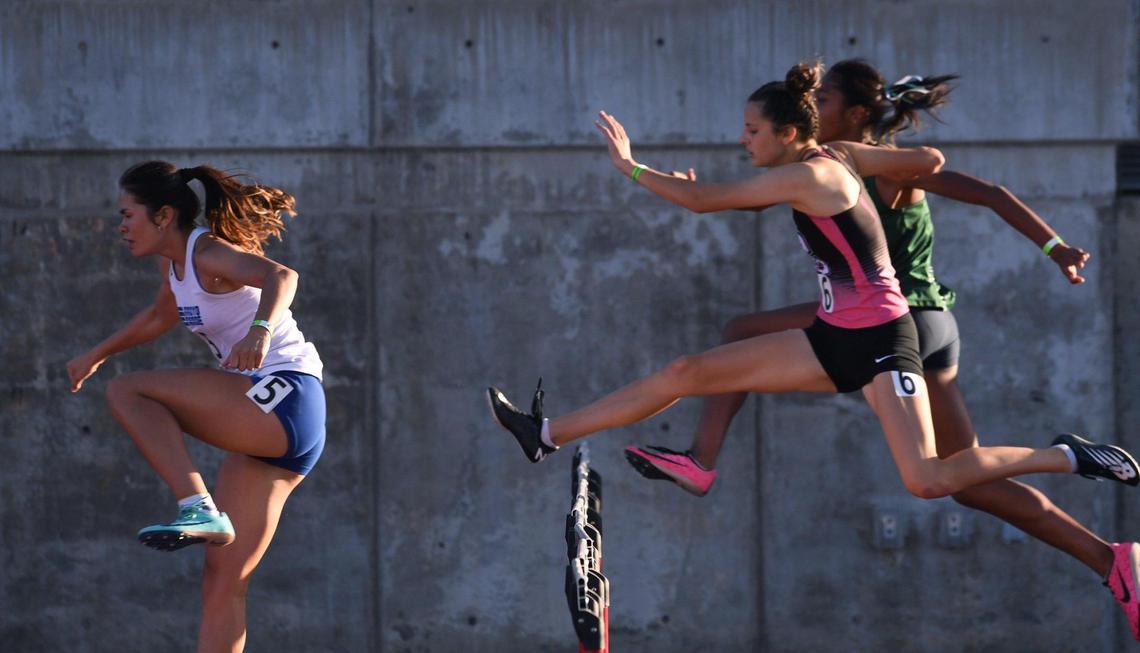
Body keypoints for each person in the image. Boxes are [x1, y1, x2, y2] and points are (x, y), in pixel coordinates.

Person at [487, 58, 1140, 626]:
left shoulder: (813, 176)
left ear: (790, 134)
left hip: (888, 337)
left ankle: (1064, 454)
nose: (742, 141)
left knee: (929, 477)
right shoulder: (837, 159)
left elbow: (707, 204)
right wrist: (886, 157)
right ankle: (546, 434)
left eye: (752, 131)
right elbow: (916, 161)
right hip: (832, 337)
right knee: (690, 368)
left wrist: (632, 168)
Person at [66, 161, 326, 652]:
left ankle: (196, 506)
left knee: (129, 392)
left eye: (127, 215)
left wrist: (259, 331)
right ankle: (202, 512)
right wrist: (96, 353)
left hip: (285, 393)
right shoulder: (175, 266)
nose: (120, 227)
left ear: (163, 215)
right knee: (223, 584)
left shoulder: (205, 251)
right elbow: (158, 316)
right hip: (273, 426)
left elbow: (281, 276)